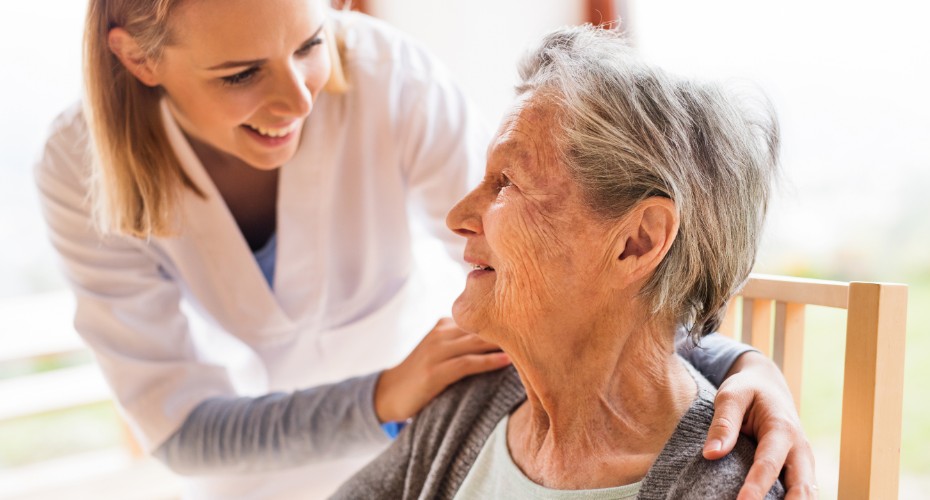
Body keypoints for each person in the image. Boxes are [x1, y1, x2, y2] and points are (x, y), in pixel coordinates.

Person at [34, 1, 813, 498]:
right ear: (138, 59)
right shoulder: (77, 169)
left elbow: (575, 264)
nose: (300, 97)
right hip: (290, 462)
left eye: (311, 42)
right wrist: (385, 399)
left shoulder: (384, 76)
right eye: (240, 73)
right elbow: (180, 426)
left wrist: (737, 364)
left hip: (451, 388)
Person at [333, 25, 793, 500]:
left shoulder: (724, 488)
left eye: (506, 182)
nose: (458, 218)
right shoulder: (470, 404)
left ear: (637, 241)